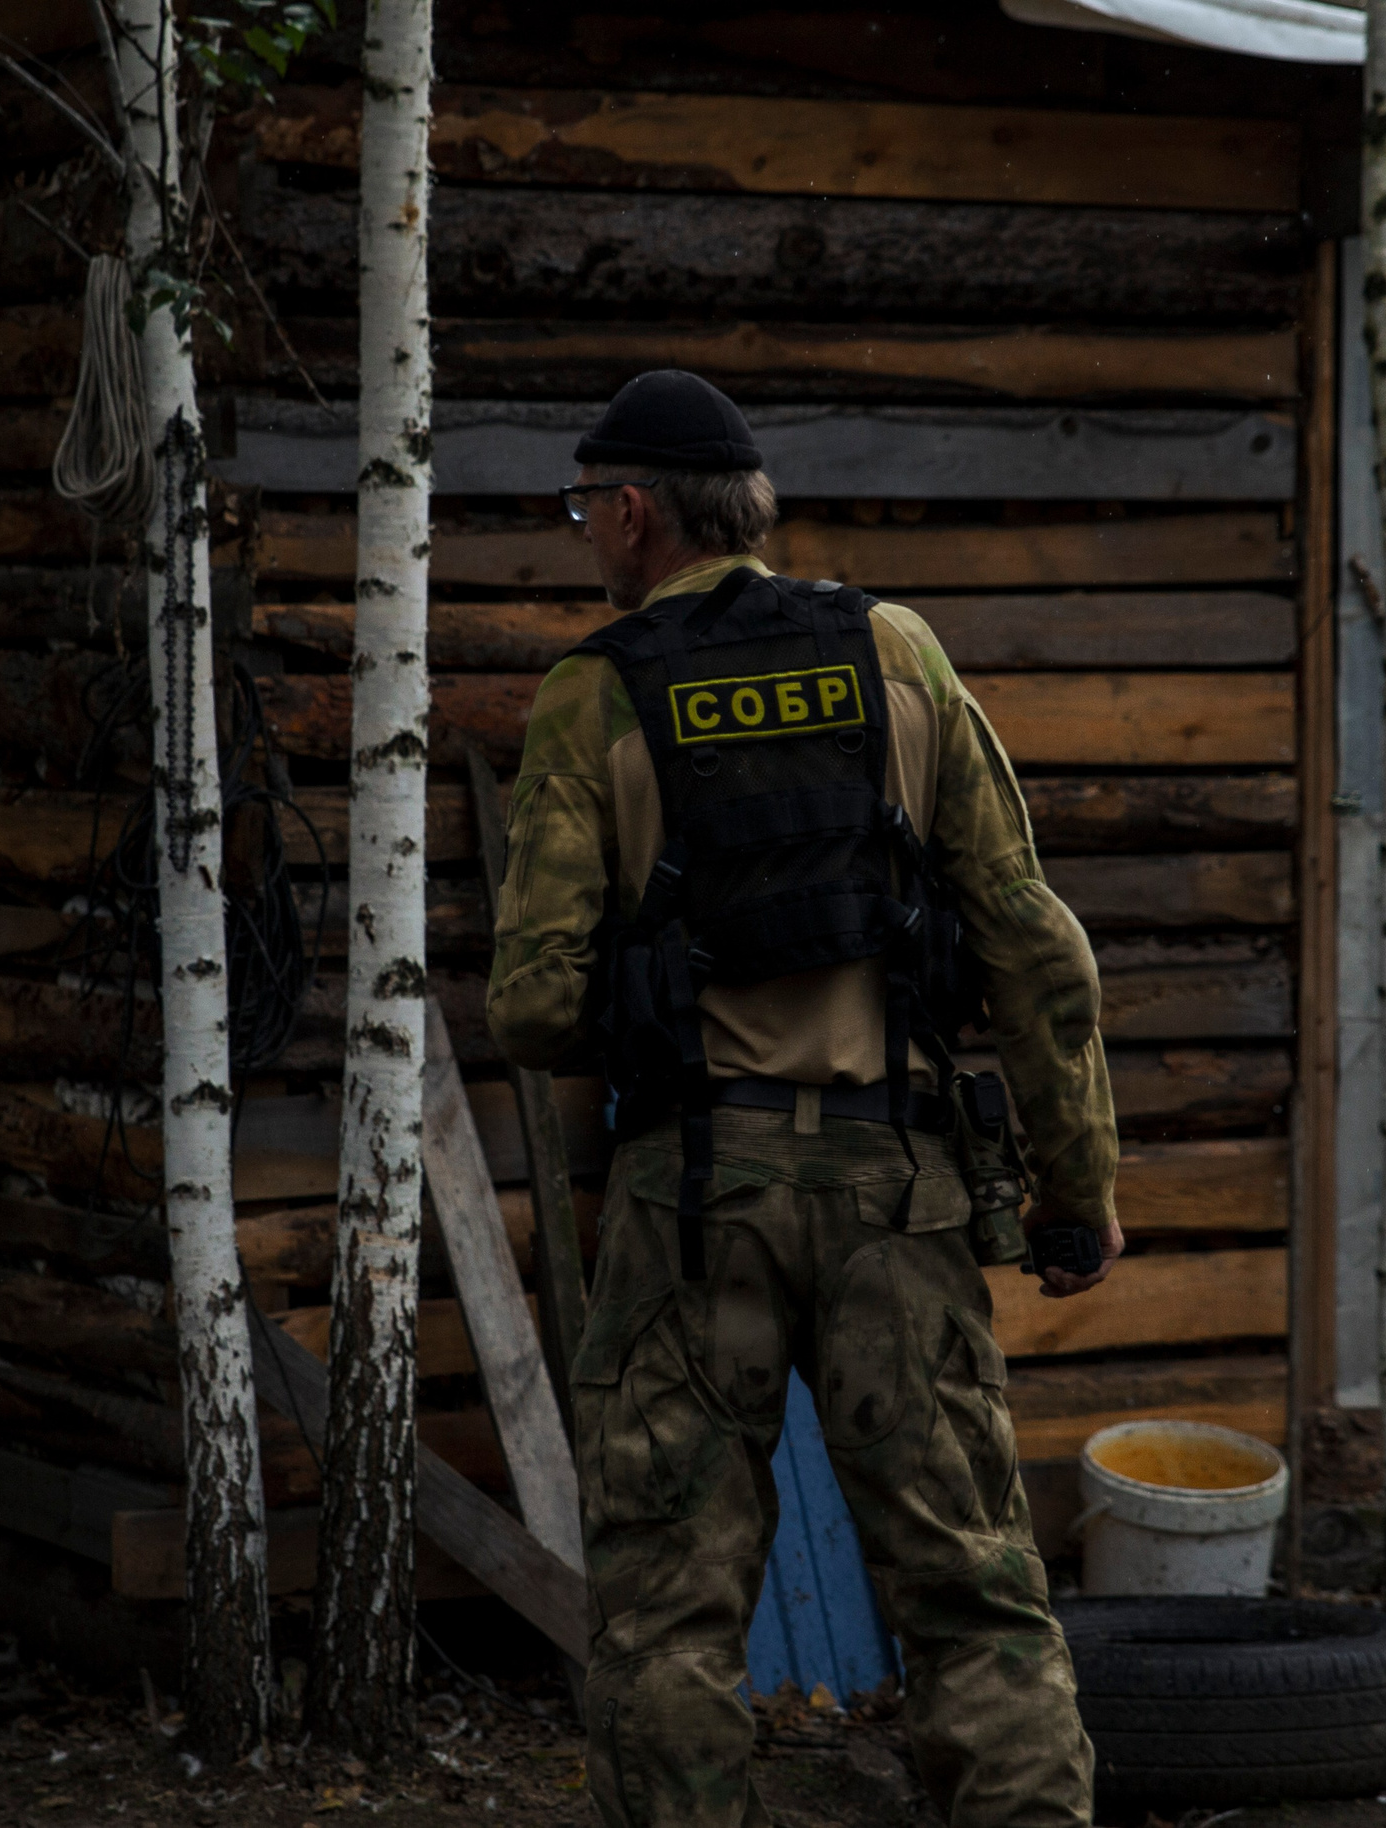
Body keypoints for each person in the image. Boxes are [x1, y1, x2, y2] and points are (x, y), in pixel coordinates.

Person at [485, 370, 1122, 1828]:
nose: (588, 531)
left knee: (666, 1609)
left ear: (636, 512)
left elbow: (530, 1005)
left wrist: (663, 987)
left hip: (693, 1205)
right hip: (902, 1195)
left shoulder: (595, 696)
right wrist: (1074, 1193)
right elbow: (1035, 941)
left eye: (589, 507)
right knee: (973, 1593)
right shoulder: (897, 654)